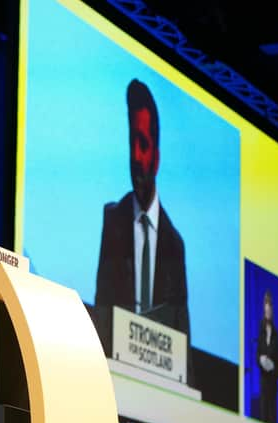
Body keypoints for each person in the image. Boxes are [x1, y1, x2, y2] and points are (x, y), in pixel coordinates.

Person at [93, 79, 192, 382]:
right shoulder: (114, 220)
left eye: (144, 144)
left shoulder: (175, 244)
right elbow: (103, 312)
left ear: (158, 157)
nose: (136, 156)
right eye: (132, 142)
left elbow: (182, 339)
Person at [257, 290, 278, 423]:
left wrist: (274, 367)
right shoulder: (261, 328)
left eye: (270, 311)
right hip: (264, 378)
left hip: (273, 378)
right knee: (264, 411)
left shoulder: (276, 333)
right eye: (266, 311)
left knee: (273, 413)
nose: (268, 313)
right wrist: (261, 360)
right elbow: (258, 351)